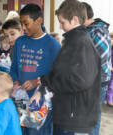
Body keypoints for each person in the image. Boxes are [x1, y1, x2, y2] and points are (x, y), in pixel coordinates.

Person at [30, 0, 101, 135]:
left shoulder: (82, 44)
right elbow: (61, 72)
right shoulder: (73, 41)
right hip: (67, 115)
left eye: (62, 22)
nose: (61, 27)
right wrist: (43, 85)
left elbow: (80, 80)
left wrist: (47, 82)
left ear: (74, 20)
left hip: (74, 120)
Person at [10, 3, 61, 135]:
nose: (23, 28)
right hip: (20, 98)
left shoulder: (53, 45)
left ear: (39, 21)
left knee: (37, 132)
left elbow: (58, 75)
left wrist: (36, 82)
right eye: (21, 24)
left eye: (26, 23)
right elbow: (14, 68)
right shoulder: (20, 42)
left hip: (41, 101)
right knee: (21, 131)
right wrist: (15, 81)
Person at [82, 2, 112, 135]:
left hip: (97, 81)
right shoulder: (89, 30)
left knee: (92, 118)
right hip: (89, 80)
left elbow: (99, 59)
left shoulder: (97, 31)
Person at [106, 33, 113, 107]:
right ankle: (108, 100)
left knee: (111, 86)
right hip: (109, 69)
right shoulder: (109, 48)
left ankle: (109, 99)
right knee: (110, 86)